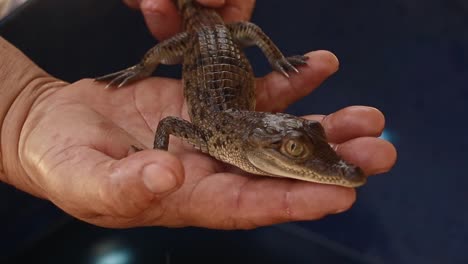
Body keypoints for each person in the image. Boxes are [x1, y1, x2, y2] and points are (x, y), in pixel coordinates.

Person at [0, 0, 396, 229]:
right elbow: (170, 124)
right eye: (294, 147)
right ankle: (143, 66)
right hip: (198, 40)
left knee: (246, 28)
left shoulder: (225, 134)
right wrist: (159, 152)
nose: (341, 169)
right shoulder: (208, 135)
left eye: (300, 140)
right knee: (158, 54)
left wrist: (277, 62)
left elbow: (173, 122)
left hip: (222, 44)